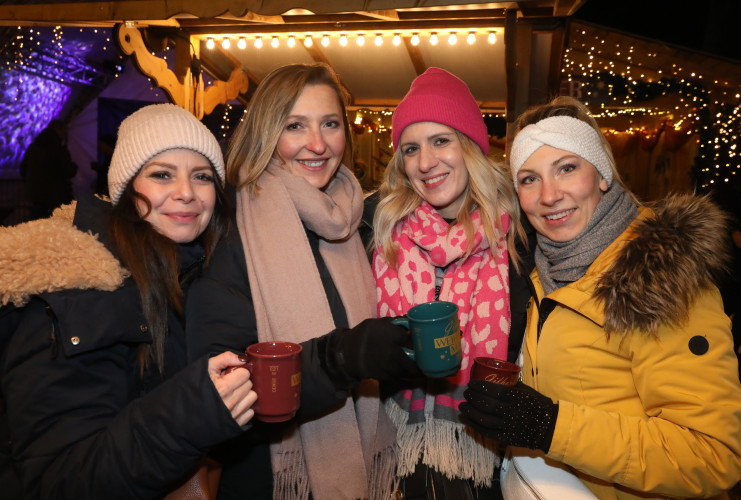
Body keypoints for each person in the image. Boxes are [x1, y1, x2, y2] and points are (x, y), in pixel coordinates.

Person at [459, 96, 741, 499]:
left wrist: (551, 426)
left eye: (567, 168)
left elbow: (713, 455)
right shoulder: (546, 273)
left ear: (603, 175)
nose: (549, 195)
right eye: (529, 178)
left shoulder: (659, 278)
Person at [185, 62, 421, 500]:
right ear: (267, 134)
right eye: (296, 126)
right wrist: (345, 358)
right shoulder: (230, 228)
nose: (317, 144)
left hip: (361, 457)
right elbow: (219, 393)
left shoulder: (353, 221)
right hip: (268, 477)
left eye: (330, 124)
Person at [1, 103, 258, 499]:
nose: (186, 193)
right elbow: (61, 479)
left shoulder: (197, 272)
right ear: (125, 189)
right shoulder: (78, 289)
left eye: (202, 176)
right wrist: (194, 410)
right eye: (162, 175)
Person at [369, 67, 530, 498]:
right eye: (411, 148)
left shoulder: (519, 234)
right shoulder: (379, 227)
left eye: (441, 140)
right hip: (387, 448)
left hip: (483, 452)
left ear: (472, 146)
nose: (425, 162)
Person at [19, 119, 79, 220]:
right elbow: (68, 171)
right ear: (59, 130)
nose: (65, 134)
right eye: (65, 131)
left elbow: (23, 169)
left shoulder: (33, 147)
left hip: (36, 194)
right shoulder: (58, 147)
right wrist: (74, 167)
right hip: (56, 195)